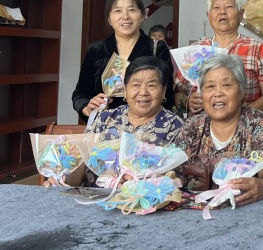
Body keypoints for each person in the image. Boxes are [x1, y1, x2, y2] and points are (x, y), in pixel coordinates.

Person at [56, 56, 183, 187]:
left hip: (143, 197)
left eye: (151, 85)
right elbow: (82, 162)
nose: (143, 92)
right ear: (125, 90)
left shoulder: (175, 126)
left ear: (164, 90)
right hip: (93, 195)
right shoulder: (105, 118)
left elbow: (176, 177)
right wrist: (64, 179)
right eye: (136, 85)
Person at [177, 54, 263, 205]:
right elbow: (174, 172)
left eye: (226, 85)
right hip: (195, 210)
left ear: (242, 91)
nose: (218, 93)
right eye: (210, 86)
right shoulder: (192, 126)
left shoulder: (258, 122)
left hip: (244, 207)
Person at [73, 0, 175, 122]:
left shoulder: (157, 48)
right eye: (118, 11)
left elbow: (168, 94)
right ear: (109, 18)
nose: (125, 16)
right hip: (105, 125)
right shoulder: (96, 50)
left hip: (147, 126)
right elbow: (79, 94)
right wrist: (86, 107)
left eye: (132, 10)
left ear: (143, 14)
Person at [178, 0, 263, 116]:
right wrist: (186, 101)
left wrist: (239, 117)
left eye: (229, 7)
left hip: (245, 124)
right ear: (208, 16)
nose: (222, 12)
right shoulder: (195, 50)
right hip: (201, 125)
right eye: (216, 8)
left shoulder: (257, 48)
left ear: (241, 14)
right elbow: (177, 92)